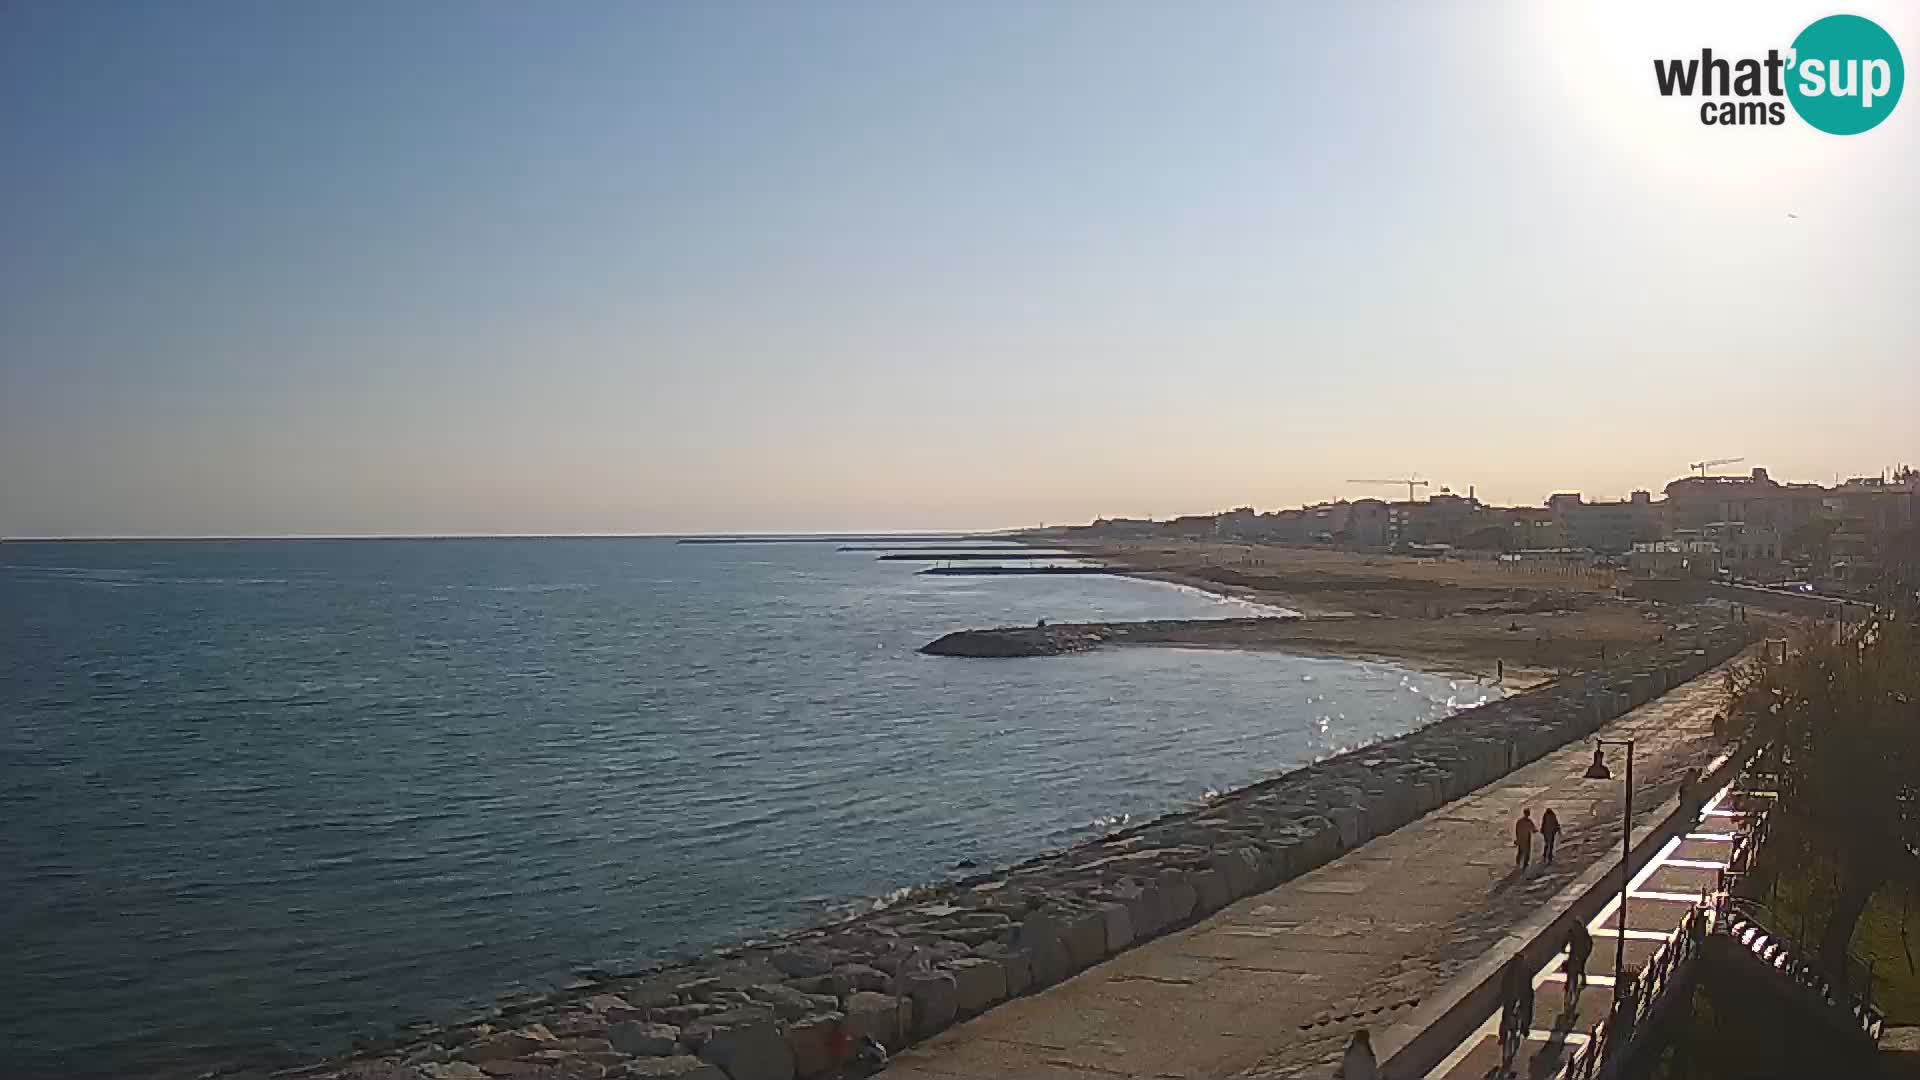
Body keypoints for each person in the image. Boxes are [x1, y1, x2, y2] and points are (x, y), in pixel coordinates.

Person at [1565, 922, 1593, 1007]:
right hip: (1575, 953)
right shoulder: (1579, 932)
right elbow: (1566, 940)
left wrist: (1585, 954)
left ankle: (1579, 983)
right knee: (1573, 969)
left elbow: (1589, 944)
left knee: (1579, 968)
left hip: (1580, 953)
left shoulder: (1583, 933)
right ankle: (1571, 986)